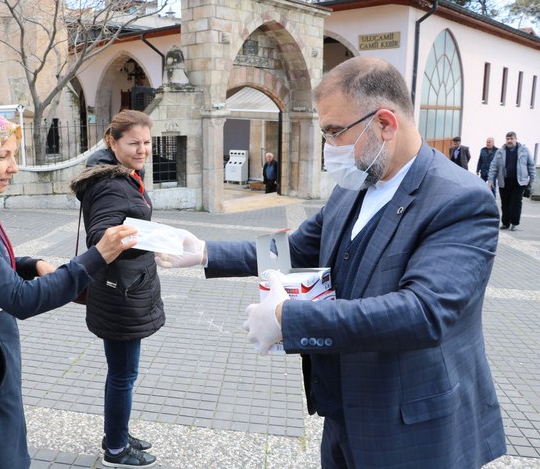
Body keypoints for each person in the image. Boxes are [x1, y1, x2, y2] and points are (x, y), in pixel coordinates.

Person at [157, 57, 506, 468]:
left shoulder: (460, 200)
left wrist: (289, 319)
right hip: (344, 410)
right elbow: (297, 247)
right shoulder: (356, 184)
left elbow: (424, 312)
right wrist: (206, 251)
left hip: (412, 425)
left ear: (385, 124)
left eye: (335, 132)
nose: (328, 148)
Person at [0, 103, 137, 469]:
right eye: (3, 156)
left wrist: (32, 264)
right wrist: (96, 257)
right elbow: (20, 298)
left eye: (12, 156)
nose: (14, 167)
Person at [70, 110, 163, 468]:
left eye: (147, 143)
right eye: (134, 143)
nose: (142, 150)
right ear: (113, 142)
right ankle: (115, 449)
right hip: (121, 294)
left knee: (123, 372)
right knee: (123, 375)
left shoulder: (121, 174)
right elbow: (101, 237)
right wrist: (152, 239)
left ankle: (117, 432)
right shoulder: (111, 183)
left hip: (122, 290)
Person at [487, 131, 535, 231]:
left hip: (519, 182)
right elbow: (493, 166)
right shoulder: (500, 151)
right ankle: (505, 223)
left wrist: (531, 179)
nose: (509, 141)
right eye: (507, 139)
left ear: (516, 139)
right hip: (504, 181)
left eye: (511, 138)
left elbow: (531, 164)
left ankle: (514, 222)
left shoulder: (524, 150)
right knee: (505, 204)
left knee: (515, 203)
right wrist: (490, 180)